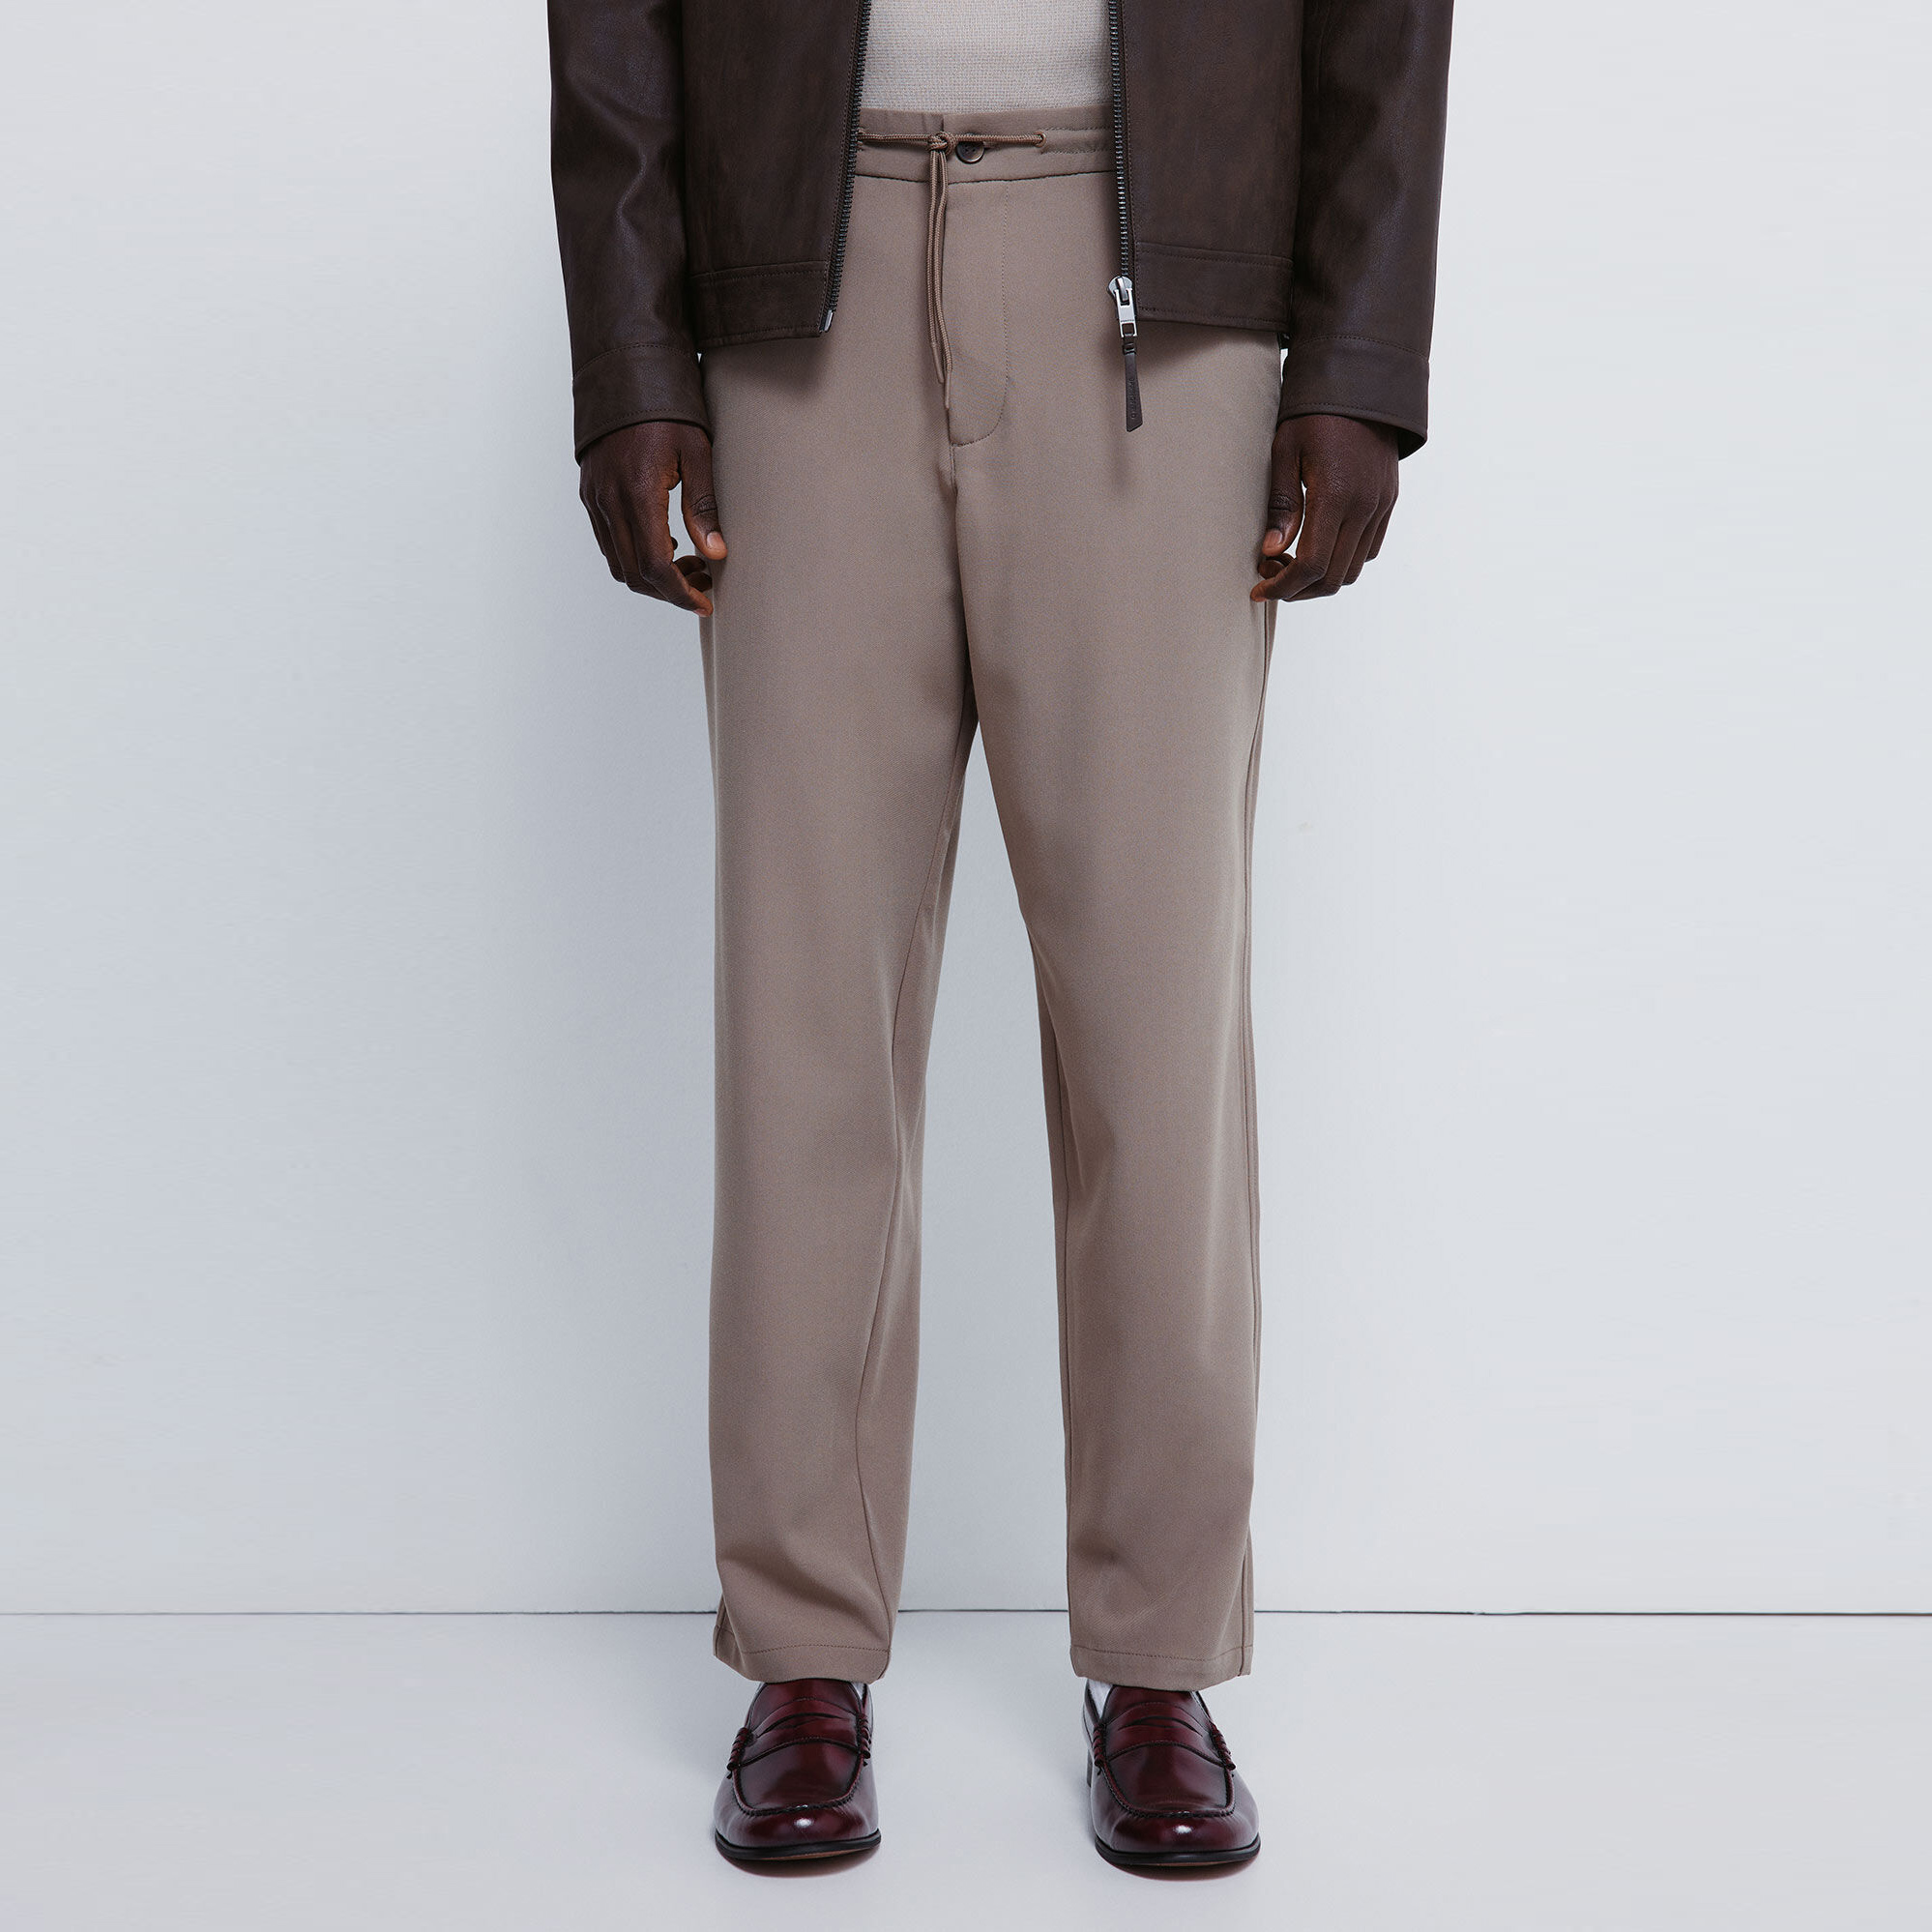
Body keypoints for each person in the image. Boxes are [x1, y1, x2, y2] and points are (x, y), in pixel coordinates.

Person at [547, 0, 1451, 1872]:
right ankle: (801, 1654)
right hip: (797, 279)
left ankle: (1160, 1660)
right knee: (805, 1014)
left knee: (1156, 1026)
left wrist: (1359, 355)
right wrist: (631, 357)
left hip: (1162, 290)